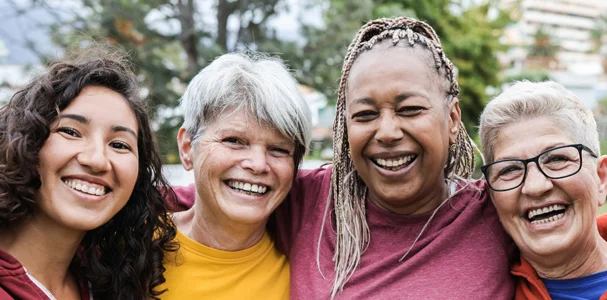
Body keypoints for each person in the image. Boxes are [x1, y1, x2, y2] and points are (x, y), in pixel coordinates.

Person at [173, 17, 514, 299]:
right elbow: (180, 198)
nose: (387, 132)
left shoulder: (499, 210)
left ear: (453, 119)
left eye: (410, 110)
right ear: (344, 125)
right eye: (364, 114)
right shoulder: (309, 201)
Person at [479, 80, 607, 299]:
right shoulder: (479, 291)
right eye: (509, 170)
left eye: (556, 159)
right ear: (492, 197)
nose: (536, 186)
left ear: (601, 178)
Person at [0, 47, 176, 299]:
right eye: (71, 131)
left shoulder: (104, 276)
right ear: (23, 141)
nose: (97, 160)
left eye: (119, 145)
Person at [158, 52, 311, 299]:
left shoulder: (306, 282)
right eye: (234, 141)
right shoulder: (127, 247)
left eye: (279, 149)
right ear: (187, 148)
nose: (258, 164)